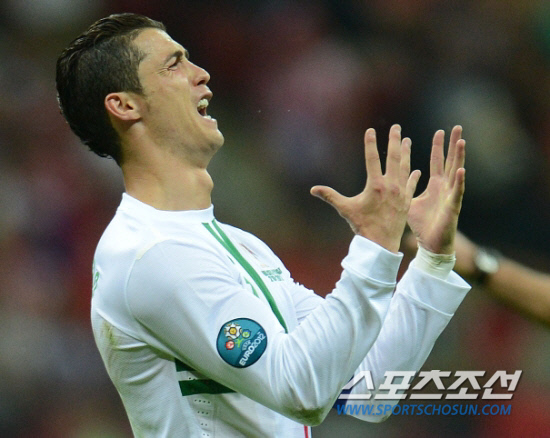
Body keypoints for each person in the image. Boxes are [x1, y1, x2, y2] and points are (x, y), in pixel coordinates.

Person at [56, 13, 470, 437]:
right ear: (125, 106)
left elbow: (366, 389)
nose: (201, 74)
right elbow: (300, 391)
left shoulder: (238, 245)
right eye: (173, 64)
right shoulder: (152, 254)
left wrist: (432, 262)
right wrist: (375, 246)